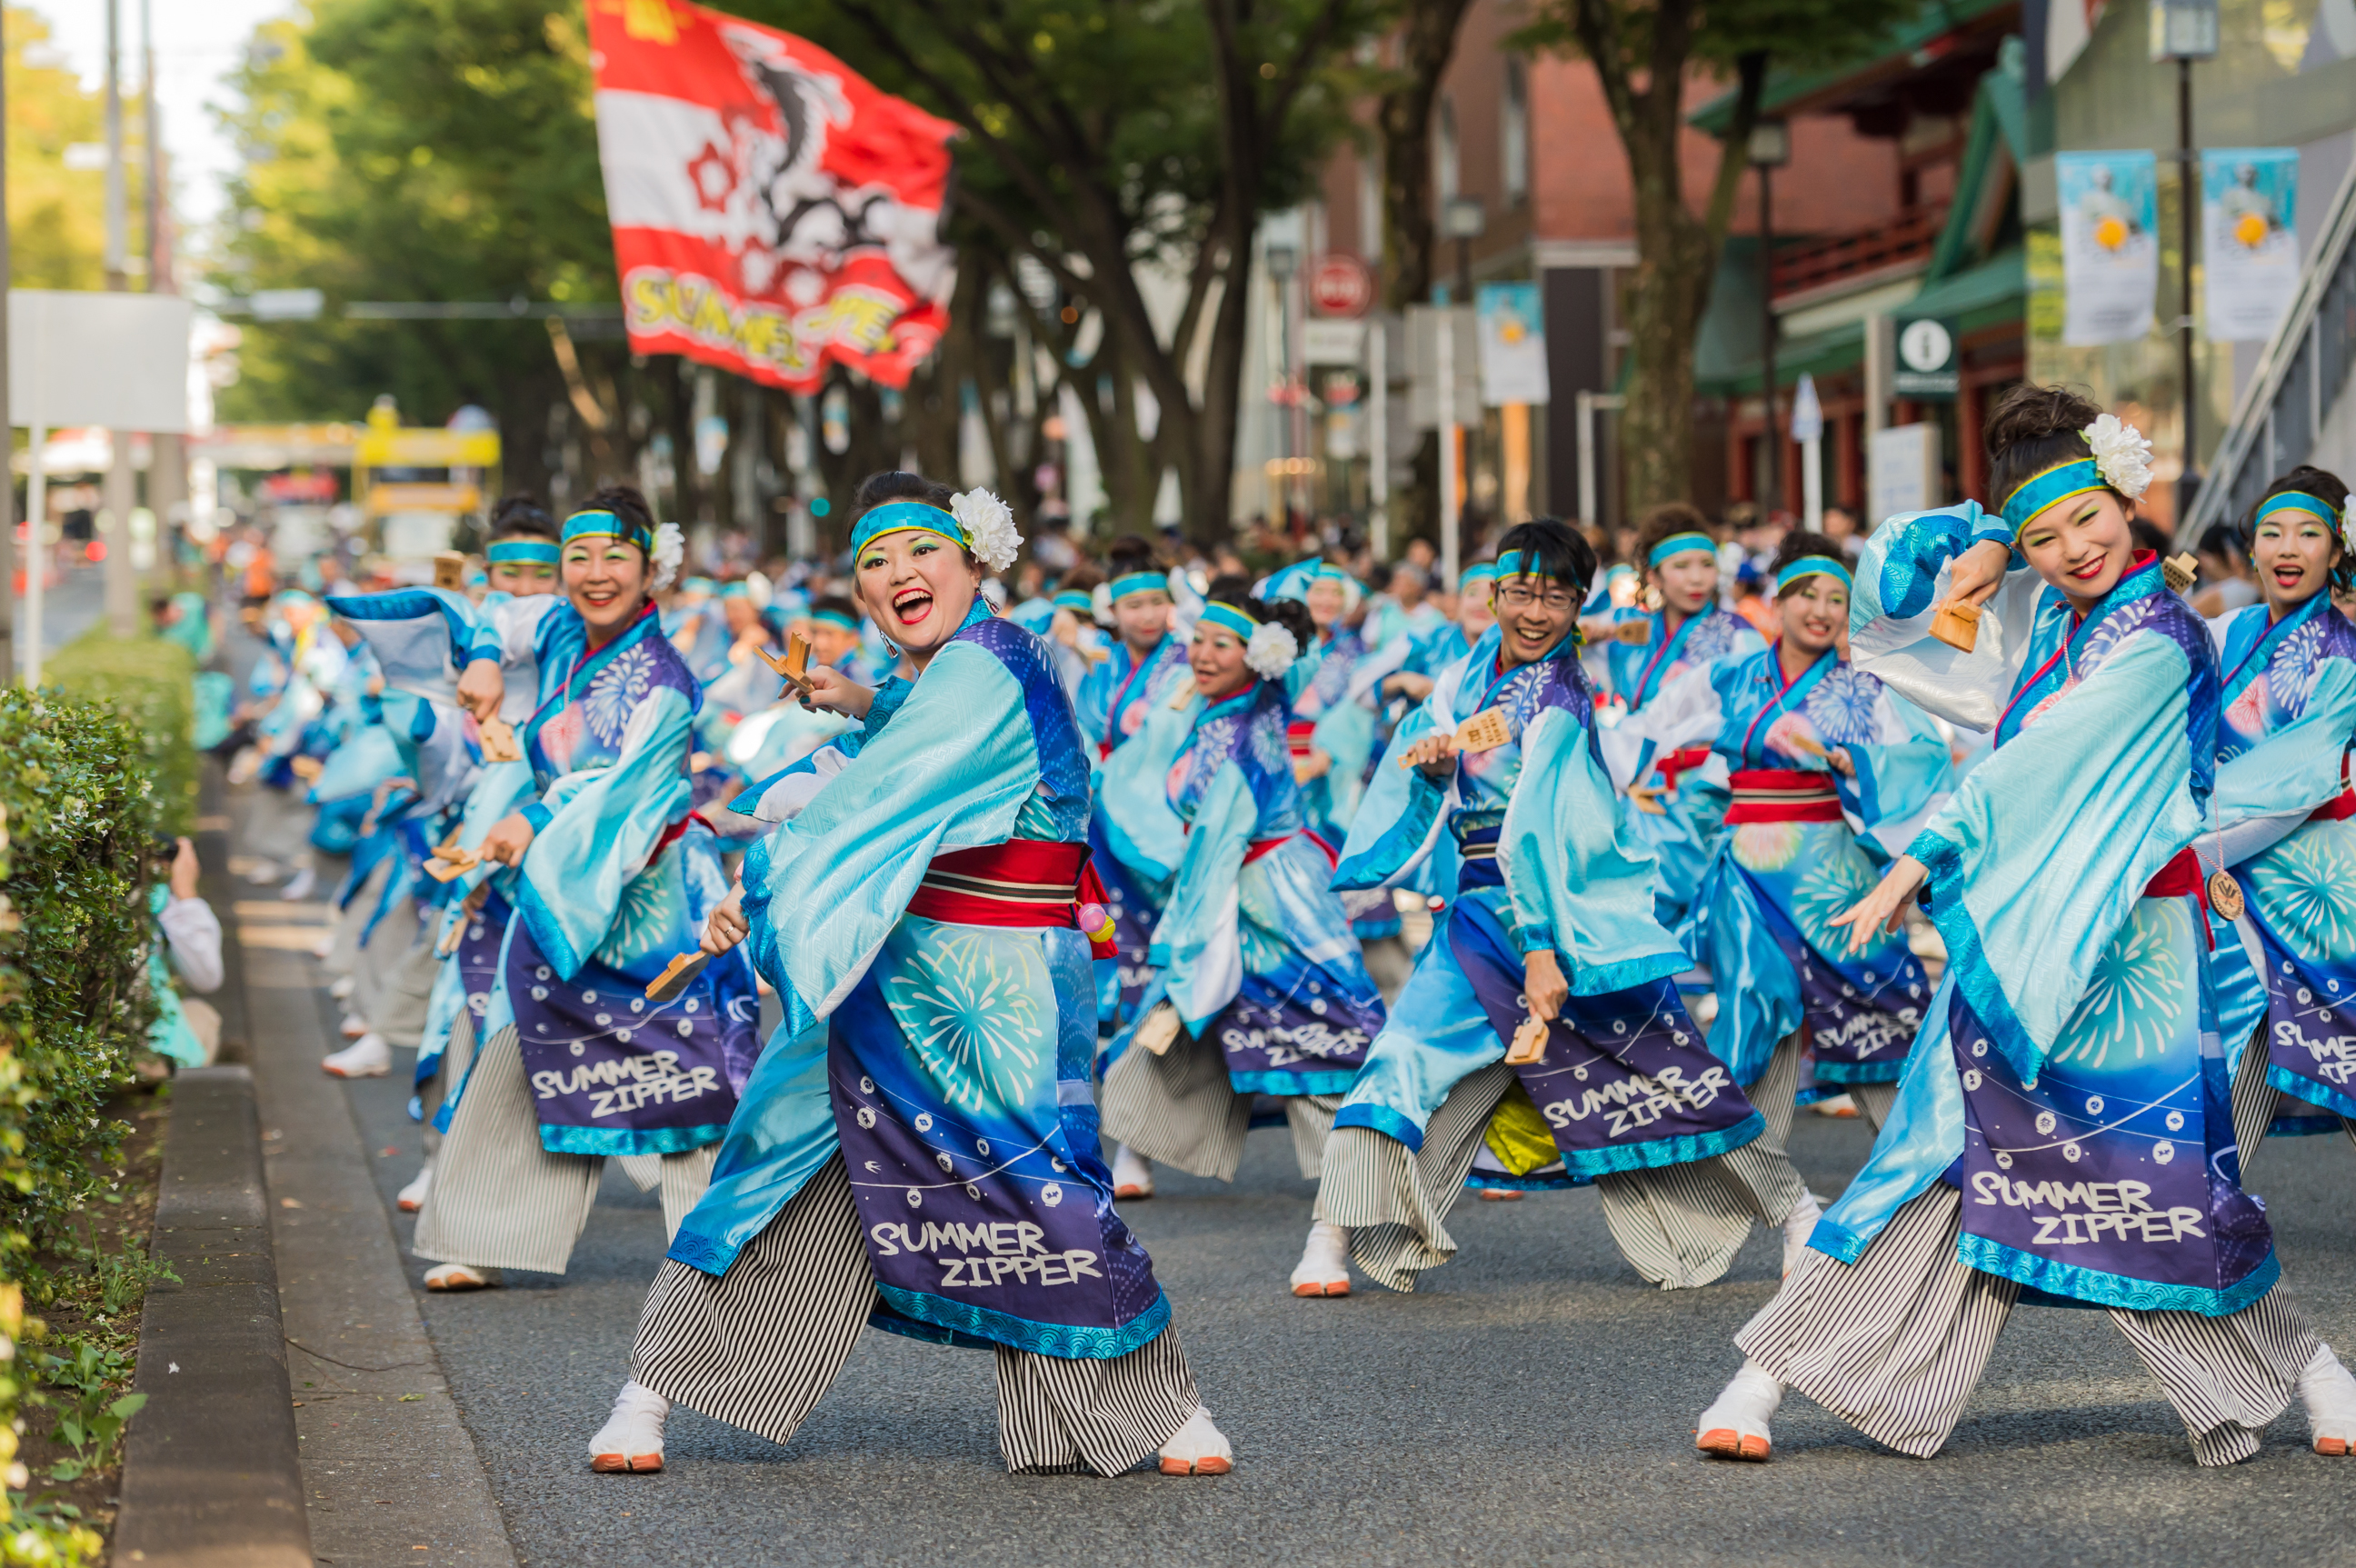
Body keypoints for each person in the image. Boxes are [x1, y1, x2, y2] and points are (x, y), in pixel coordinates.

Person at [1693, 385, 2356, 1467]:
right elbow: (1899, 638)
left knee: (2152, 1200)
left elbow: (2036, 762)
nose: (2073, 548)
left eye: (2087, 519)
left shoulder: (2163, 638)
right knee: (1930, 1157)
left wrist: (1920, 852)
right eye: (2044, 536)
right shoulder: (2057, 613)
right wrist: (1981, 530)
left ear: (2128, 502)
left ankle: (2317, 1372)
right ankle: (1760, 1379)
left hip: (2129, 951)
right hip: (2038, 932)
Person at [588, 469, 1231, 1481]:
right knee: (780, 1170)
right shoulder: (958, 672)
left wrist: (767, 888)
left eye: (921, 551)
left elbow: (878, 802)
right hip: (901, 966)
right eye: (873, 565)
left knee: (1032, 1186)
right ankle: (651, 1389)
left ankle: (1159, 1403)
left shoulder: (987, 666)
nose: (896, 575)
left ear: (977, 561)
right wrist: (866, 706)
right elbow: (903, 761)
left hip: (987, 983)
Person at [1316, 520, 1816, 1293]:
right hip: (1481, 911)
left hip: (1568, 912)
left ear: (1579, 603)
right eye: (1522, 592)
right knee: (1401, 1054)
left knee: (1673, 1068)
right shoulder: (1467, 672)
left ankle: (1799, 1215)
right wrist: (1433, 765)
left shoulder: (1559, 698)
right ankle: (1331, 1232)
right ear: (1493, 594)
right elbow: (1427, 749)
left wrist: (1544, 945)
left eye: (1555, 596)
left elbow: (1538, 829)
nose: (1535, 613)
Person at [409, 486, 759, 1292]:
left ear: (650, 574)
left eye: (615, 558)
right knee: (519, 1045)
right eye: (579, 557)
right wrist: (490, 657)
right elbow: (500, 612)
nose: (594, 573)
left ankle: (724, 1254)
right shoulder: (565, 633)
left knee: (690, 1071)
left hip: (652, 897)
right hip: (566, 878)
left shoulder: (664, 680)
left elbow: (622, 794)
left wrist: (533, 820)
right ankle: (483, 1231)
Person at [1606, 532, 1952, 1134]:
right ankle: (1763, 1190)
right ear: (1778, 601)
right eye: (1804, 595)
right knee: (1750, 1011)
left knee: (1883, 1007)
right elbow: (1647, 729)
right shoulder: (1730, 674)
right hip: (1747, 869)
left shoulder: (1862, 687)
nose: (1820, 610)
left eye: (1835, 600)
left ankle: (1917, 1174)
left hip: (1829, 874)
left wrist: (1857, 763)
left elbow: (1925, 757)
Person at [1097, 578, 1386, 1295]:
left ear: (1256, 658)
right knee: (1161, 1041)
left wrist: (1179, 936)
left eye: (1220, 645)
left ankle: (1332, 1231)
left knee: (1325, 1064)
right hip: (1236, 894)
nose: (1199, 654)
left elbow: (1217, 840)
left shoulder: (1239, 730)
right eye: (1197, 639)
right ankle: (1103, 1191)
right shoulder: (1221, 709)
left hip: (1274, 908)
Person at [2202, 466, 2356, 1154]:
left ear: (2336, 550)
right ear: (2252, 548)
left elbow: (2299, 778)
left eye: (2308, 533)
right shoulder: (2224, 631)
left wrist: (2186, 843)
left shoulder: (2344, 651)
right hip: (2230, 880)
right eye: (2271, 532)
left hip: (2317, 879)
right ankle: (2194, 1233)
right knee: (2228, 1056)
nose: (2287, 547)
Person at [1592, 504, 1767, 928]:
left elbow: (1755, 710)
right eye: (1681, 566)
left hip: (1708, 789)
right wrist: (1595, 630)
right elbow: (1554, 638)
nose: (1696, 578)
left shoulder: (1738, 632)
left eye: (1706, 565)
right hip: (1635, 784)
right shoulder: (1629, 629)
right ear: (1653, 576)